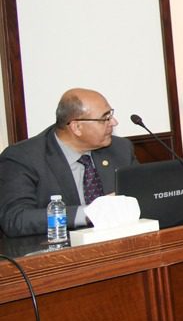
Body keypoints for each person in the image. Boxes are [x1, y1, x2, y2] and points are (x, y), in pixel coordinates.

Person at [0, 89, 137, 237]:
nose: (114, 122)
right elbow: (15, 219)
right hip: (57, 247)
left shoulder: (120, 148)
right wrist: (88, 214)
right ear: (76, 127)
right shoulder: (23, 157)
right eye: (105, 118)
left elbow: (143, 194)